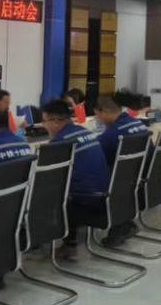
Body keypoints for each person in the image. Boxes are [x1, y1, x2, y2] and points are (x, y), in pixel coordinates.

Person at [40, 99, 112, 257]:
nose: (43, 126)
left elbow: (46, 178)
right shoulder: (86, 132)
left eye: (45, 121)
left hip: (86, 201)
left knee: (40, 191)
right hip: (107, 194)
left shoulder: (60, 144)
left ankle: (62, 244)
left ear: (56, 121)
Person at [93, 96, 153, 169]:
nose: (98, 118)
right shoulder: (138, 122)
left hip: (120, 173)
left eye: (97, 115)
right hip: (144, 170)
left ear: (103, 112)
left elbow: (95, 152)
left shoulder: (113, 132)